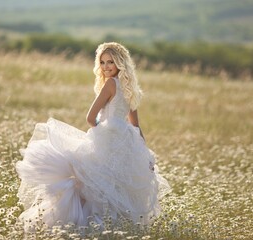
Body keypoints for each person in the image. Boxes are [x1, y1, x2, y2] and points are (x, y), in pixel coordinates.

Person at [16, 42, 171, 232]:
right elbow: (136, 126)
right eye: (103, 62)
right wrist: (144, 154)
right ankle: (115, 228)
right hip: (127, 142)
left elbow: (90, 118)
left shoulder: (111, 84)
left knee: (95, 183)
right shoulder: (129, 88)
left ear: (120, 63)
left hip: (108, 140)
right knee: (116, 186)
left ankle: (86, 226)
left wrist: (103, 131)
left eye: (111, 62)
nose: (106, 67)